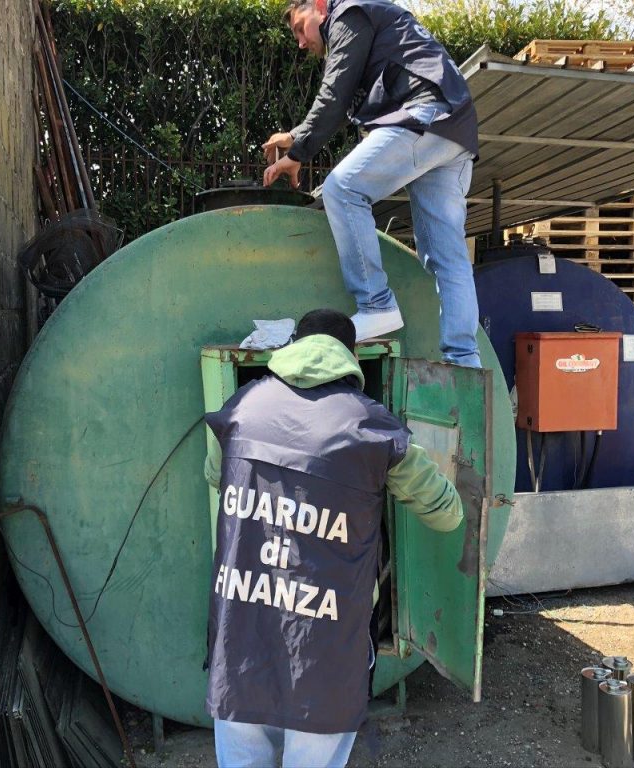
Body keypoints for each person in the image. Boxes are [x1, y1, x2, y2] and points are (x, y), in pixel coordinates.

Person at [203, 308, 465, 768]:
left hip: (242, 631)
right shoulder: (372, 427)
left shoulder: (241, 406)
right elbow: (447, 515)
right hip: (324, 643)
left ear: (293, 346)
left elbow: (214, 473)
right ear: (350, 357)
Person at [263, 0, 481, 368]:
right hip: (454, 127)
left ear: (318, 6)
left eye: (300, 28)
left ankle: (376, 305)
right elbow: (343, 98)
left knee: (342, 188)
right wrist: (296, 135)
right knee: (448, 257)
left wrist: (299, 152)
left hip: (424, 113)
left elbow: (335, 92)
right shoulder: (372, 21)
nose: (300, 42)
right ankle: (465, 361)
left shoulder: (349, 12)